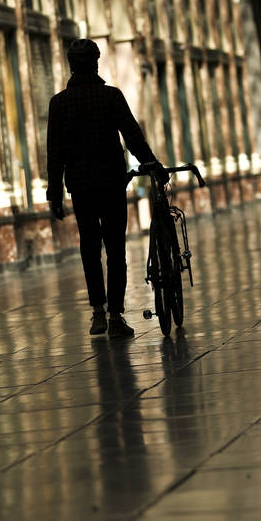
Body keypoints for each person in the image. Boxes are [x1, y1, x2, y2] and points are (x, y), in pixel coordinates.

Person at [46, 39, 166, 337]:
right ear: (96, 63)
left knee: (89, 248)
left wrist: (55, 192)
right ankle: (115, 317)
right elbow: (133, 137)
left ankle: (97, 314)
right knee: (115, 250)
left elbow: (54, 153)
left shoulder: (59, 103)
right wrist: (153, 164)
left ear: (71, 65)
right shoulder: (110, 96)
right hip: (112, 184)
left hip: (81, 188)